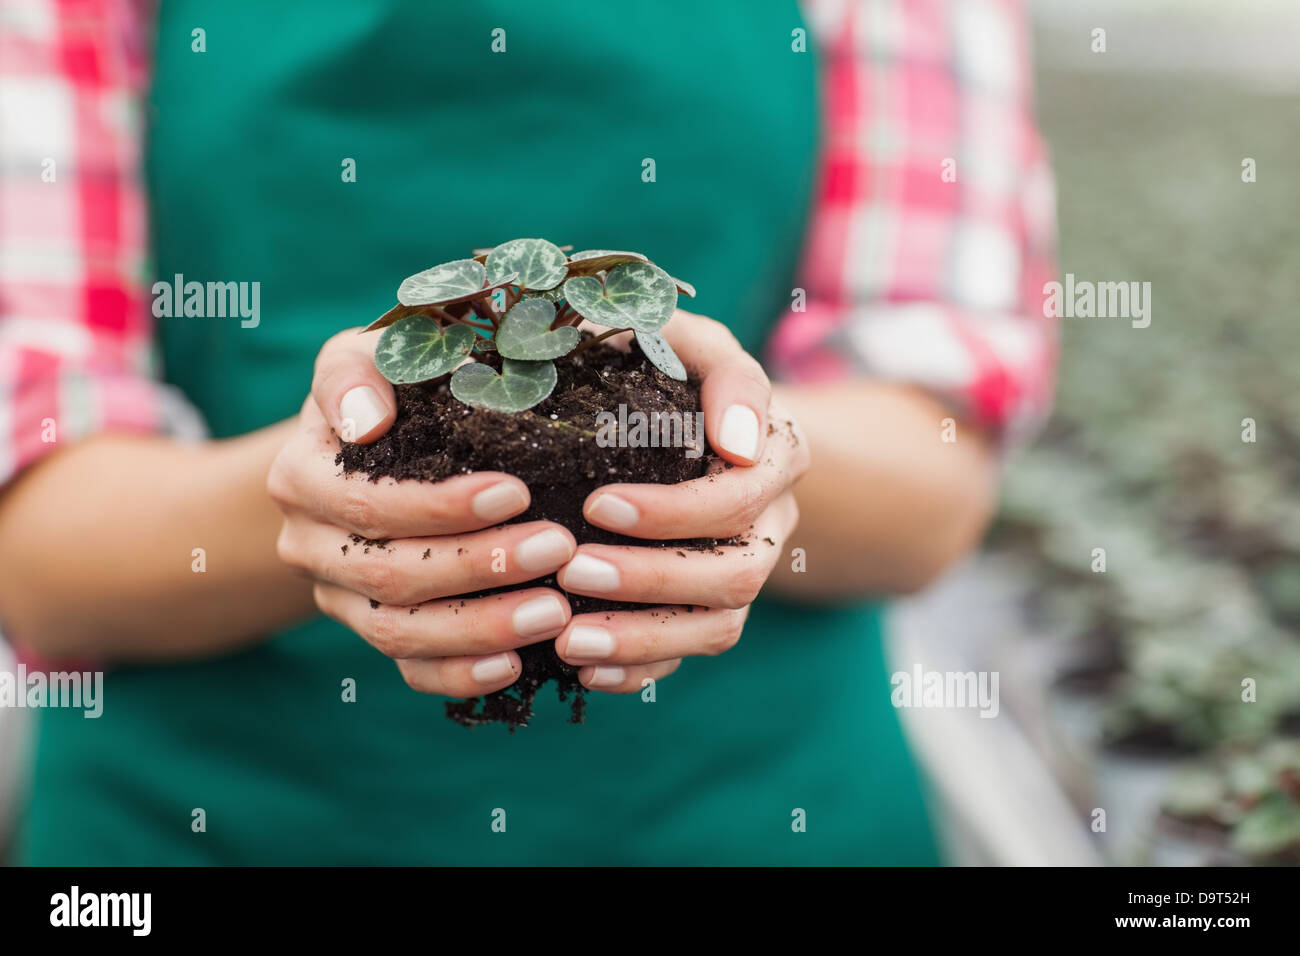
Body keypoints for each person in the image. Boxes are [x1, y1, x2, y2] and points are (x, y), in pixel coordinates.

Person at [0, 0, 1056, 864]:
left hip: (751, 812)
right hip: (204, 820)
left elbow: (929, 471)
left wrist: (714, 442)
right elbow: (40, 548)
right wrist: (323, 494)